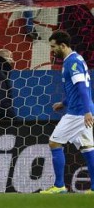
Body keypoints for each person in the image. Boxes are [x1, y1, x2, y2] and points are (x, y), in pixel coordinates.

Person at [40, 31, 94, 194]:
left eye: (53, 46)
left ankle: (59, 186)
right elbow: (76, 89)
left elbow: (82, 88)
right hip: (82, 109)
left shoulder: (72, 62)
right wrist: (63, 103)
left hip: (78, 113)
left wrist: (86, 112)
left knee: (55, 143)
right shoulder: (75, 59)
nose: (52, 50)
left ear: (63, 45)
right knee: (87, 148)